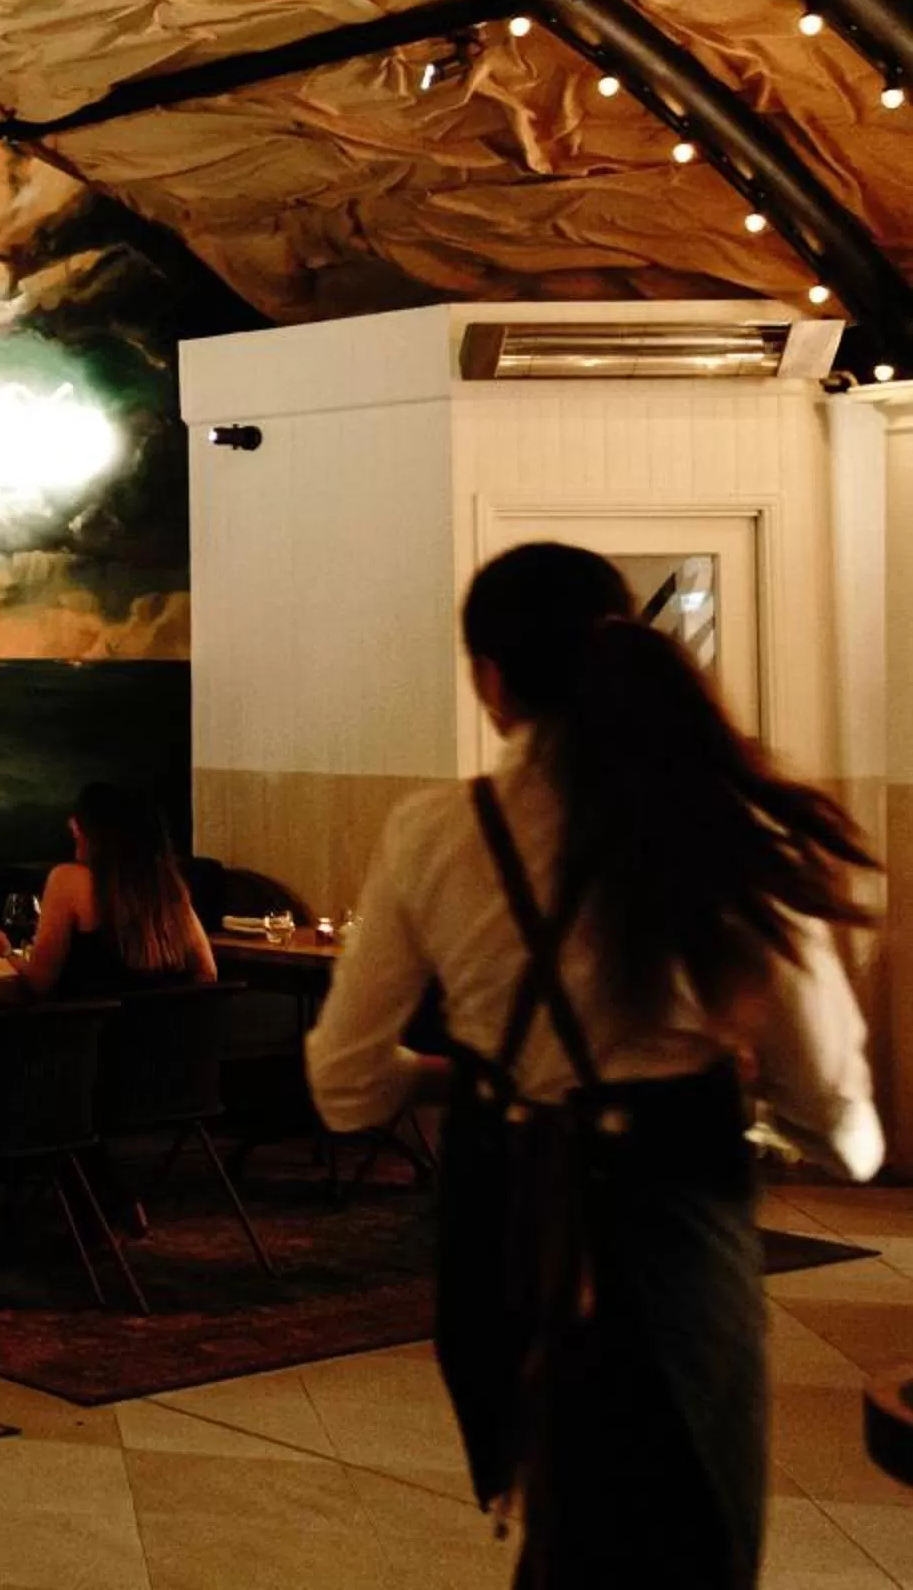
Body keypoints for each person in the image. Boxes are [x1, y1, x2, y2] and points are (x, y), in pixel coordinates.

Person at [306, 542, 880, 1586]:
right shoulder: (719, 823)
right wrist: (789, 1114)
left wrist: (457, 1076)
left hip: (502, 1219)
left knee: (562, 1520)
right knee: (686, 1529)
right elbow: (839, 1119)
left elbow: (342, 1084)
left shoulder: (438, 830)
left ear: (489, 676)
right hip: (671, 1209)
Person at [0, 782, 217, 996]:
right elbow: (207, 973)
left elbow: (39, 981)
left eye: (80, 818)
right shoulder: (167, 888)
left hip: (89, 1043)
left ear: (100, 831)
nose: (71, 823)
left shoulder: (67, 880)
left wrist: (5, 952)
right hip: (167, 1046)